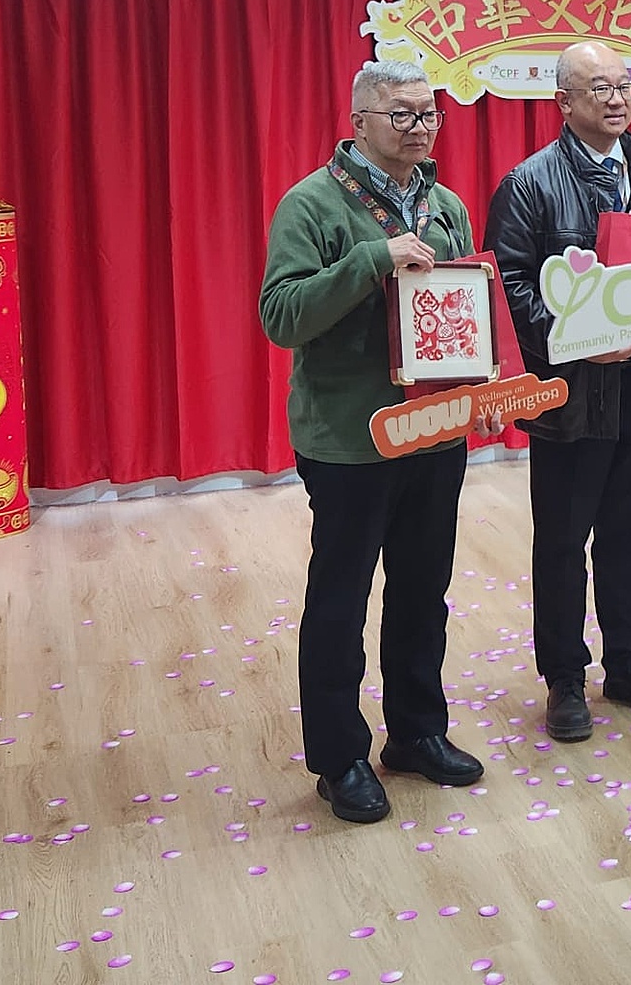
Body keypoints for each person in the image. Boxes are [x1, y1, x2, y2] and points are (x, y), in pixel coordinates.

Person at [259, 60, 486, 824]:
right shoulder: (311, 203)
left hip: (436, 432)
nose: (421, 128)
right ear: (359, 122)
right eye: (403, 115)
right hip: (349, 441)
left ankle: (417, 733)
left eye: (430, 114)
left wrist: (482, 390)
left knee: (423, 593)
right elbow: (281, 316)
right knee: (340, 600)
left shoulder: (446, 204)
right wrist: (369, 261)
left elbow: (466, 312)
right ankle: (339, 758)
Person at [486, 40, 631, 744]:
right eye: (598, 87)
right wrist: (578, 338)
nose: (616, 98)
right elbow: (509, 287)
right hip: (570, 391)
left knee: (628, 530)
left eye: (624, 85)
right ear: (563, 102)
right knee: (563, 538)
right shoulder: (530, 183)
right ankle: (565, 677)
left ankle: (627, 664)